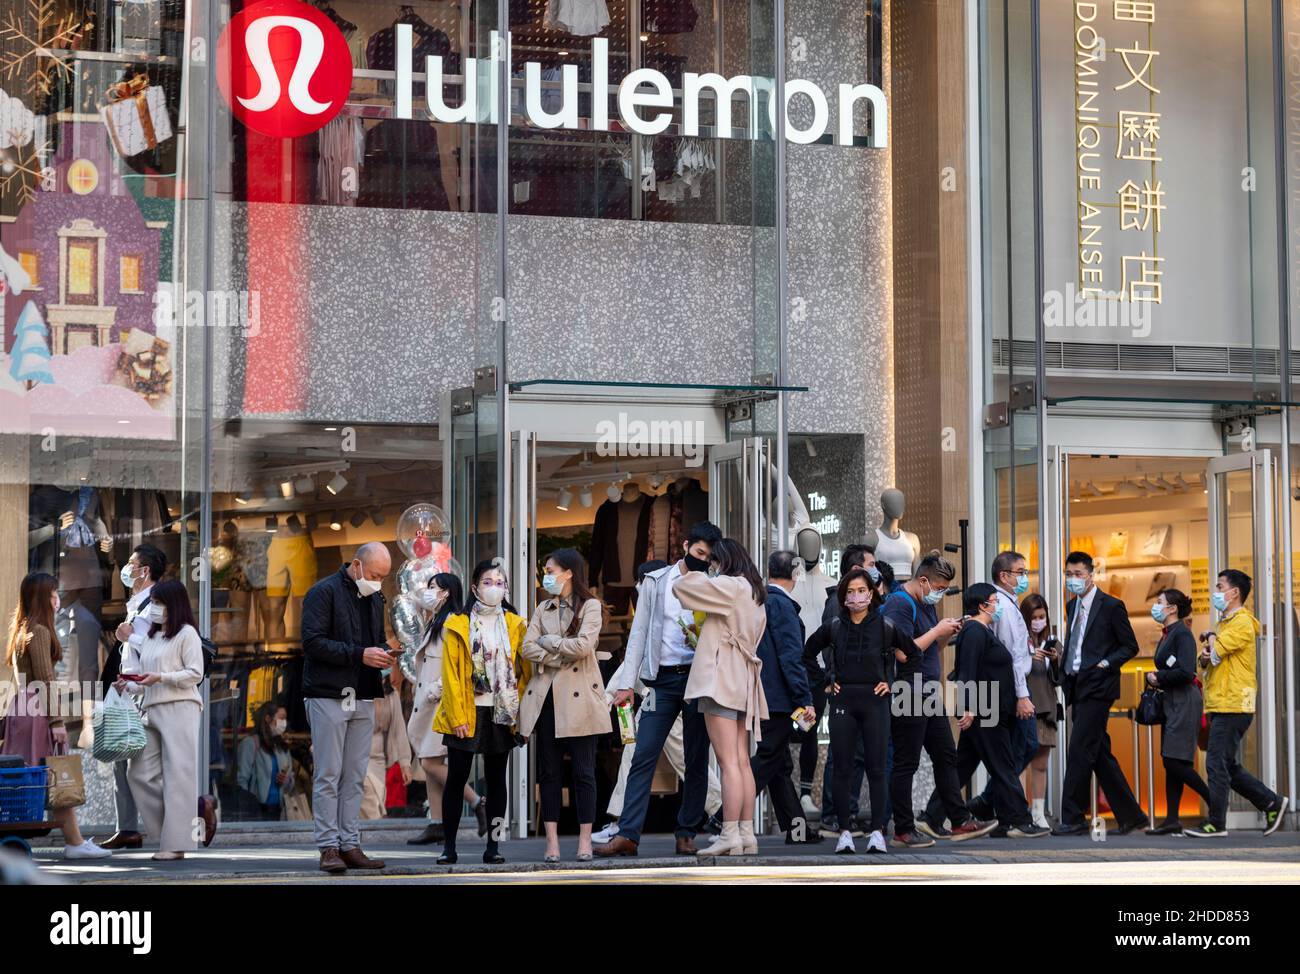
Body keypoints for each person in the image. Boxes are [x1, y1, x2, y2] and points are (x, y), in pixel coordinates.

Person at [596, 521, 724, 858]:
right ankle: (628, 834)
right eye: (699, 553)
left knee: (696, 758)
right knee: (643, 753)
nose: (703, 561)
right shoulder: (657, 581)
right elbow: (638, 634)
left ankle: (686, 833)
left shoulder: (713, 585)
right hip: (663, 680)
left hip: (699, 680)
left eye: (709, 557)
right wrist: (626, 685)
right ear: (685, 546)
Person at [804, 566, 916, 854]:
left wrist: (893, 683)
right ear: (843, 596)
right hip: (842, 703)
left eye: (862, 591)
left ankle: (878, 831)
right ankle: (844, 832)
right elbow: (807, 653)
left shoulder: (885, 626)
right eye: (851, 591)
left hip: (876, 703)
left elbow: (913, 655)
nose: (856, 596)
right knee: (842, 769)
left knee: (877, 769)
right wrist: (825, 681)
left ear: (872, 593)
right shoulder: (834, 626)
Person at [1, 573, 110, 859]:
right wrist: (57, 722)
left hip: (24, 708)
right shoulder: (38, 632)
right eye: (52, 594)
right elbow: (46, 681)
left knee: (41, 777)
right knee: (53, 773)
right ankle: (75, 843)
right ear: (41, 598)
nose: (57, 599)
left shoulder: (24, 629)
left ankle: (75, 841)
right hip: (37, 711)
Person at [890, 552, 995, 847]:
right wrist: (937, 631)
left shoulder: (924, 604)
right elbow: (902, 652)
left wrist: (944, 633)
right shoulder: (900, 603)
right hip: (908, 692)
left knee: (947, 755)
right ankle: (903, 828)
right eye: (938, 588)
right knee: (906, 763)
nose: (940, 594)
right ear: (923, 581)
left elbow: (928, 650)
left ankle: (959, 820)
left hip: (928, 692)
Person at [302, 541, 393, 874]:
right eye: (374, 574)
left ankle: (350, 843)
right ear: (356, 565)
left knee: (355, 775)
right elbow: (311, 642)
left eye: (383, 576)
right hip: (327, 691)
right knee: (328, 772)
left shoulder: (373, 597)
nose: (378, 581)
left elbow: (375, 640)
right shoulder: (322, 592)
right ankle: (328, 845)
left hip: (363, 692)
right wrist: (361, 654)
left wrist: (385, 652)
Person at [675, 537, 769, 856]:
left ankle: (730, 833)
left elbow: (683, 589)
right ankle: (745, 833)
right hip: (743, 680)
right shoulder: (755, 592)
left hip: (721, 679)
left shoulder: (730, 585)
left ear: (724, 561)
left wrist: (698, 567)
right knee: (742, 762)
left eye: (714, 561)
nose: (712, 567)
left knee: (728, 763)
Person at [433, 558, 530, 864]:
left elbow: (524, 673)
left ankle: (494, 847)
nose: (494, 588)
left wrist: (521, 714)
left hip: (501, 713)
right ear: (474, 588)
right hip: (466, 710)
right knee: (457, 778)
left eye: (500, 583)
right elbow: (450, 676)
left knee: (497, 780)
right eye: (487, 582)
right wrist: (458, 717)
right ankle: (449, 847)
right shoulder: (456, 624)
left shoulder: (517, 624)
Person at [1185, 569, 1289, 837]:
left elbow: (1215, 652)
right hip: (1221, 702)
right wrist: (1209, 643)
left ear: (1234, 593)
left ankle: (1217, 823)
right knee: (1227, 764)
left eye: (1219, 587)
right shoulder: (1223, 624)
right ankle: (1271, 802)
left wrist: (1210, 641)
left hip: (1235, 704)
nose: (1215, 592)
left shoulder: (1242, 622)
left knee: (1216, 762)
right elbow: (1204, 661)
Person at [520, 548, 607, 862]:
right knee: (549, 773)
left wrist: (549, 642)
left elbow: (584, 647)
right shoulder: (543, 607)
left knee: (584, 772)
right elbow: (527, 647)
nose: (547, 575)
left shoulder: (591, 606)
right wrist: (557, 650)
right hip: (547, 700)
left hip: (581, 698)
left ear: (569, 572)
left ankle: (585, 840)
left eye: (551, 569)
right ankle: (552, 842)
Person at [1053, 551, 1147, 835]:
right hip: (1076, 684)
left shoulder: (1110, 606)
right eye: (1068, 575)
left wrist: (1105, 663)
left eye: (1078, 575)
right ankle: (1132, 816)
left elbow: (1129, 646)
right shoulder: (1073, 606)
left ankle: (1072, 817)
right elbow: (1076, 642)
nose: (1073, 580)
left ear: (1091, 575)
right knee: (1098, 753)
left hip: (1099, 685)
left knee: (1080, 749)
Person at [949, 583, 1049, 838]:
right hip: (984, 709)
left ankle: (932, 815)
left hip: (988, 708)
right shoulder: (974, 631)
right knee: (1003, 766)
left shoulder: (982, 631)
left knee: (963, 767)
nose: (998, 605)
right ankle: (1018, 819)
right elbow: (966, 672)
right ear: (983, 605)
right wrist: (968, 707)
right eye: (994, 600)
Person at [117, 579, 205, 860]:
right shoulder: (153, 637)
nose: (153, 608)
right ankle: (172, 829)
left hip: (181, 707)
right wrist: (128, 685)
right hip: (152, 708)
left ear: (173, 604)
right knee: (138, 773)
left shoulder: (187, 634)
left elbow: (195, 673)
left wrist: (162, 678)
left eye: (158, 602)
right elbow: (147, 677)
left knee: (178, 775)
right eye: (153, 602)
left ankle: (176, 843)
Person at [405, 574, 487, 846]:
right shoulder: (435, 622)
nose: (429, 592)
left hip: (442, 705)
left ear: (448, 592)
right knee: (430, 762)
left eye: (434, 588)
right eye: (428, 587)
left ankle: (476, 802)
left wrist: (436, 690)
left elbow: (461, 667)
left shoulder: (453, 623)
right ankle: (436, 823)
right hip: (430, 706)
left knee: (430, 763)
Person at [96, 542, 165, 851]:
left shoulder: (156, 605)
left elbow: (161, 652)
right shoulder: (137, 603)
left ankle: (191, 810)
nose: (126, 569)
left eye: (131, 564)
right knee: (124, 761)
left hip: (144, 695)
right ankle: (127, 828)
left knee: (142, 765)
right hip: (129, 692)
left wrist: (129, 637)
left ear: (144, 570)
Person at [964, 550, 1038, 833]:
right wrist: (1022, 695)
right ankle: (1012, 816)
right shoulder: (1002, 608)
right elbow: (1012, 656)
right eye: (1020, 572)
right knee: (1016, 751)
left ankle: (986, 805)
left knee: (975, 759)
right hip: (1000, 694)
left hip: (999, 693)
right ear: (1004, 576)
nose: (1024, 578)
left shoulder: (1008, 603)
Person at [751, 550, 821, 844]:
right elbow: (791, 658)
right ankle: (722, 815)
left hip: (760, 694)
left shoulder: (759, 601)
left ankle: (797, 829)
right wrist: (804, 699)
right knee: (768, 758)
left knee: (780, 764)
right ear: (795, 574)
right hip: (778, 699)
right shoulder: (782, 605)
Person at [802, 544, 873, 829]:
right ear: (856, 570)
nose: (874, 570)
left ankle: (847, 811)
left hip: (860, 689)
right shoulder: (837, 603)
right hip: (845, 688)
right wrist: (833, 678)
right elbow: (827, 647)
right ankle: (835, 814)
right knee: (844, 752)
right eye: (871, 564)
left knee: (856, 754)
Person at [1142, 589, 1209, 835]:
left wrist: (1158, 676)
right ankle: (1172, 819)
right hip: (1173, 702)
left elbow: (1187, 671)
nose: (1156, 606)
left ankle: (1214, 801)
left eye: (1160, 603)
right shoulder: (1169, 633)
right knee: (1173, 761)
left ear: (1172, 609)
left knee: (1174, 760)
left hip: (1184, 702)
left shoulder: (1182, 634)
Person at [1020, 593, 1061, 830]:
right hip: (1024, 706)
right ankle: (1018, 810)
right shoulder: (1020, 641)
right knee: (1020, 762)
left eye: (1042, 616)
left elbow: (1059, 679)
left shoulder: (1052, 642)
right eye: (1034, 617)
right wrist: (1028, 657)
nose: (1038, 621)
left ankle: (1038, 812)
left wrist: (1054, 660)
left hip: (1046, 707)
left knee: (1041, 763)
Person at [360, 665, 413, 820]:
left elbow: (399, 729)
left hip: (380, 758)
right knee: (368, 793)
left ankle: (368, 836)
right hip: (358, 752)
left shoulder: (392, 695)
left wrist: (405, 764)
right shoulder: (358, 691)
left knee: (377, 799)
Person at [236, 702, 295, 819]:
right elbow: (241, 780)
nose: (284, 723)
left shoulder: (282, 748)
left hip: (280, 811)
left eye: (285, 719)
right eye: (281, 718)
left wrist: (286, 780)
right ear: (268, 718)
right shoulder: (251, 744)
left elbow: (291, 783)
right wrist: (245, 808)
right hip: (256, 811)